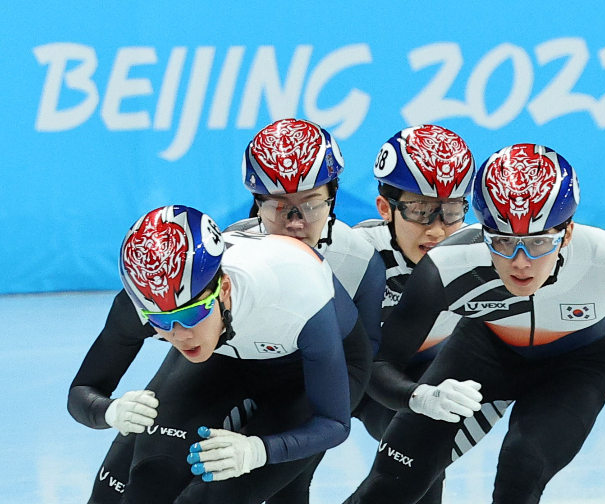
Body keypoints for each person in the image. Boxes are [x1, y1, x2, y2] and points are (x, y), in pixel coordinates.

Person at [345, 143, 605, 504]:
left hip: (575, 369)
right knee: (390, 483)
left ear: (567, 233)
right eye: (502, 241)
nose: (520, 262)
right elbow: (380, 361)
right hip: (481, 353)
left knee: (522, 466)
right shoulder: (447, 266)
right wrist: (419, 396)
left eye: (538, 243)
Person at [68, 205, 372, 504]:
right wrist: (109, 411)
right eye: (162, 322)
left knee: (218, 495)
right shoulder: (144, 304)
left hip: (308, 371)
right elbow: (82, 392)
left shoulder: (295, 295)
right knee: (149, 480)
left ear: (224, 288)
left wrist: (257, 450)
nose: (181, 335)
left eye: (191, 314)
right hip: (224, 356)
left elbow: (334, 423)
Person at [230, 117, 385, 504]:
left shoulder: (359, 260)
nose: (296, 223)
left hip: (312, 385)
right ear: (257, 204)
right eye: (280, 208)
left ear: (333, 197)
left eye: (312, 205)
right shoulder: (231, 249)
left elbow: (360, 364)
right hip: (240, 375)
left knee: (289, 484)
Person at [351, 125, 510, 503]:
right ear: (384, 208)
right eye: (422, 211)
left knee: (419, 449)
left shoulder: (482, 258)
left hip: (416, 376)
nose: (438, 229)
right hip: (346, 374)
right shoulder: (352, 255)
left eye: (452, 212)